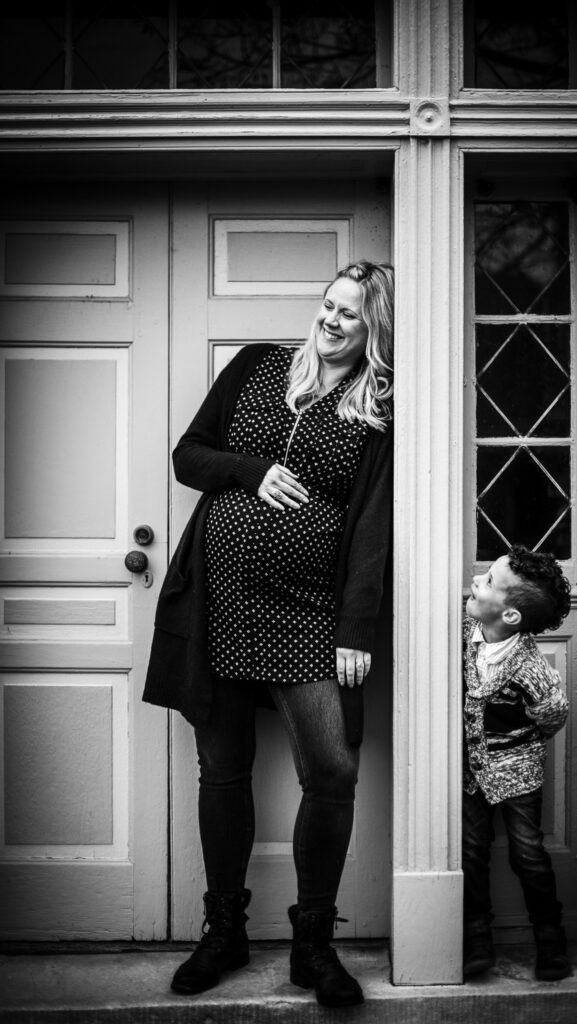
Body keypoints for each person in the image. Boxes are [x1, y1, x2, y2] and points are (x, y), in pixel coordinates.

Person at [143, 260, 394, 1008]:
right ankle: (224, 933)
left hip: (309, 613)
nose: (331, 320)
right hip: (217, 603)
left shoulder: (380, 402)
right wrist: (252, 472)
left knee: (332, 772)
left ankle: (312, 945)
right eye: (327, 305)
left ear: (372, 327)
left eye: (350, 313)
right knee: (222, 766)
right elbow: (189, 456)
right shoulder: (257, 367)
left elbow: (374, 524)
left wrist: (355, 627)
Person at [461, 544, 572, 982]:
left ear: (509, 615)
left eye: (488, 582)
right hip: (472, 772)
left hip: (519, 772)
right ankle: (476, 939)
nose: (476, 581)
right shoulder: (464, 641)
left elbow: (553, 713)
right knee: (472, 852)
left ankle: (551, 941)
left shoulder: (532, 668)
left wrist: (520, 746)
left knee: (528, 854)